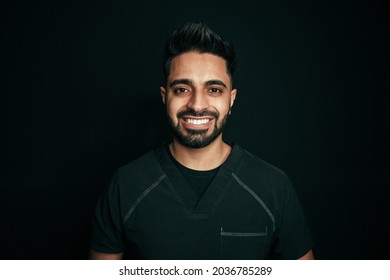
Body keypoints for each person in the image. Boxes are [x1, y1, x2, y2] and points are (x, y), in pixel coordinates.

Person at [89, 22, 314, 260]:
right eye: (183, 89)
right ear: (165, 97)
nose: (197, 105)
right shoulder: (125, 186)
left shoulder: (274, 188)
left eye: (214, 89)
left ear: (231, 99)